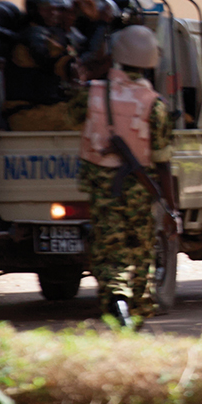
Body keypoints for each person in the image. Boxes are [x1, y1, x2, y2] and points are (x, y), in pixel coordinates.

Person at [74, 25, 176, 326]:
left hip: (101, 187)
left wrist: (86, 74)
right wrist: (171, 206)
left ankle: (116, 300)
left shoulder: (90, 93)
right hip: (138, 188)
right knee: (141, 249)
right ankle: (137, 307)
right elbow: (163, 162)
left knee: (108, 250)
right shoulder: (154, 104)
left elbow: (70, 116)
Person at [2, 0, 83, 131]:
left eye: (58, 9)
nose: (54, 13)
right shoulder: (34, 35)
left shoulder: (50, 35)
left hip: (44, 110)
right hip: (28, 113)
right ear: (34, 9)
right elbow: (54, 64)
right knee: (94, 117)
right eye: (47, 9)